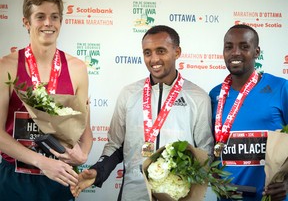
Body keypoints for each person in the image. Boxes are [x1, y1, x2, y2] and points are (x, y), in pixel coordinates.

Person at [70, 25, 214, 200]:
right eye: (147, 52)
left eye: (161, 51)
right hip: (133, 194)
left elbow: (204, 153)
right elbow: (115, 145)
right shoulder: (129, 94)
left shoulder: (198, 97)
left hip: (178, 195)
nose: (154, 59)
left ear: (177, 52)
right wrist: (99, 171)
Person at [0, 0, 93, 201]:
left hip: (60, 181)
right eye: (40, 16)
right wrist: (42, 162)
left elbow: (85, 131)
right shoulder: (6, 66)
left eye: (54, 17)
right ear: (26, 22)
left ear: (61, 21)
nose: (48, 23)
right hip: (15, 180)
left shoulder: (77, 69)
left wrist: (83, 153)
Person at [209, 24, 288, 201]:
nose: (235, 52)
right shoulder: (215, 95)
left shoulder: (281, 88)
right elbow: (209, 147)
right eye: (229, 47)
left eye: (244, 47)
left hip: (272, 197)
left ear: (256, 51)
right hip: (228, 198)